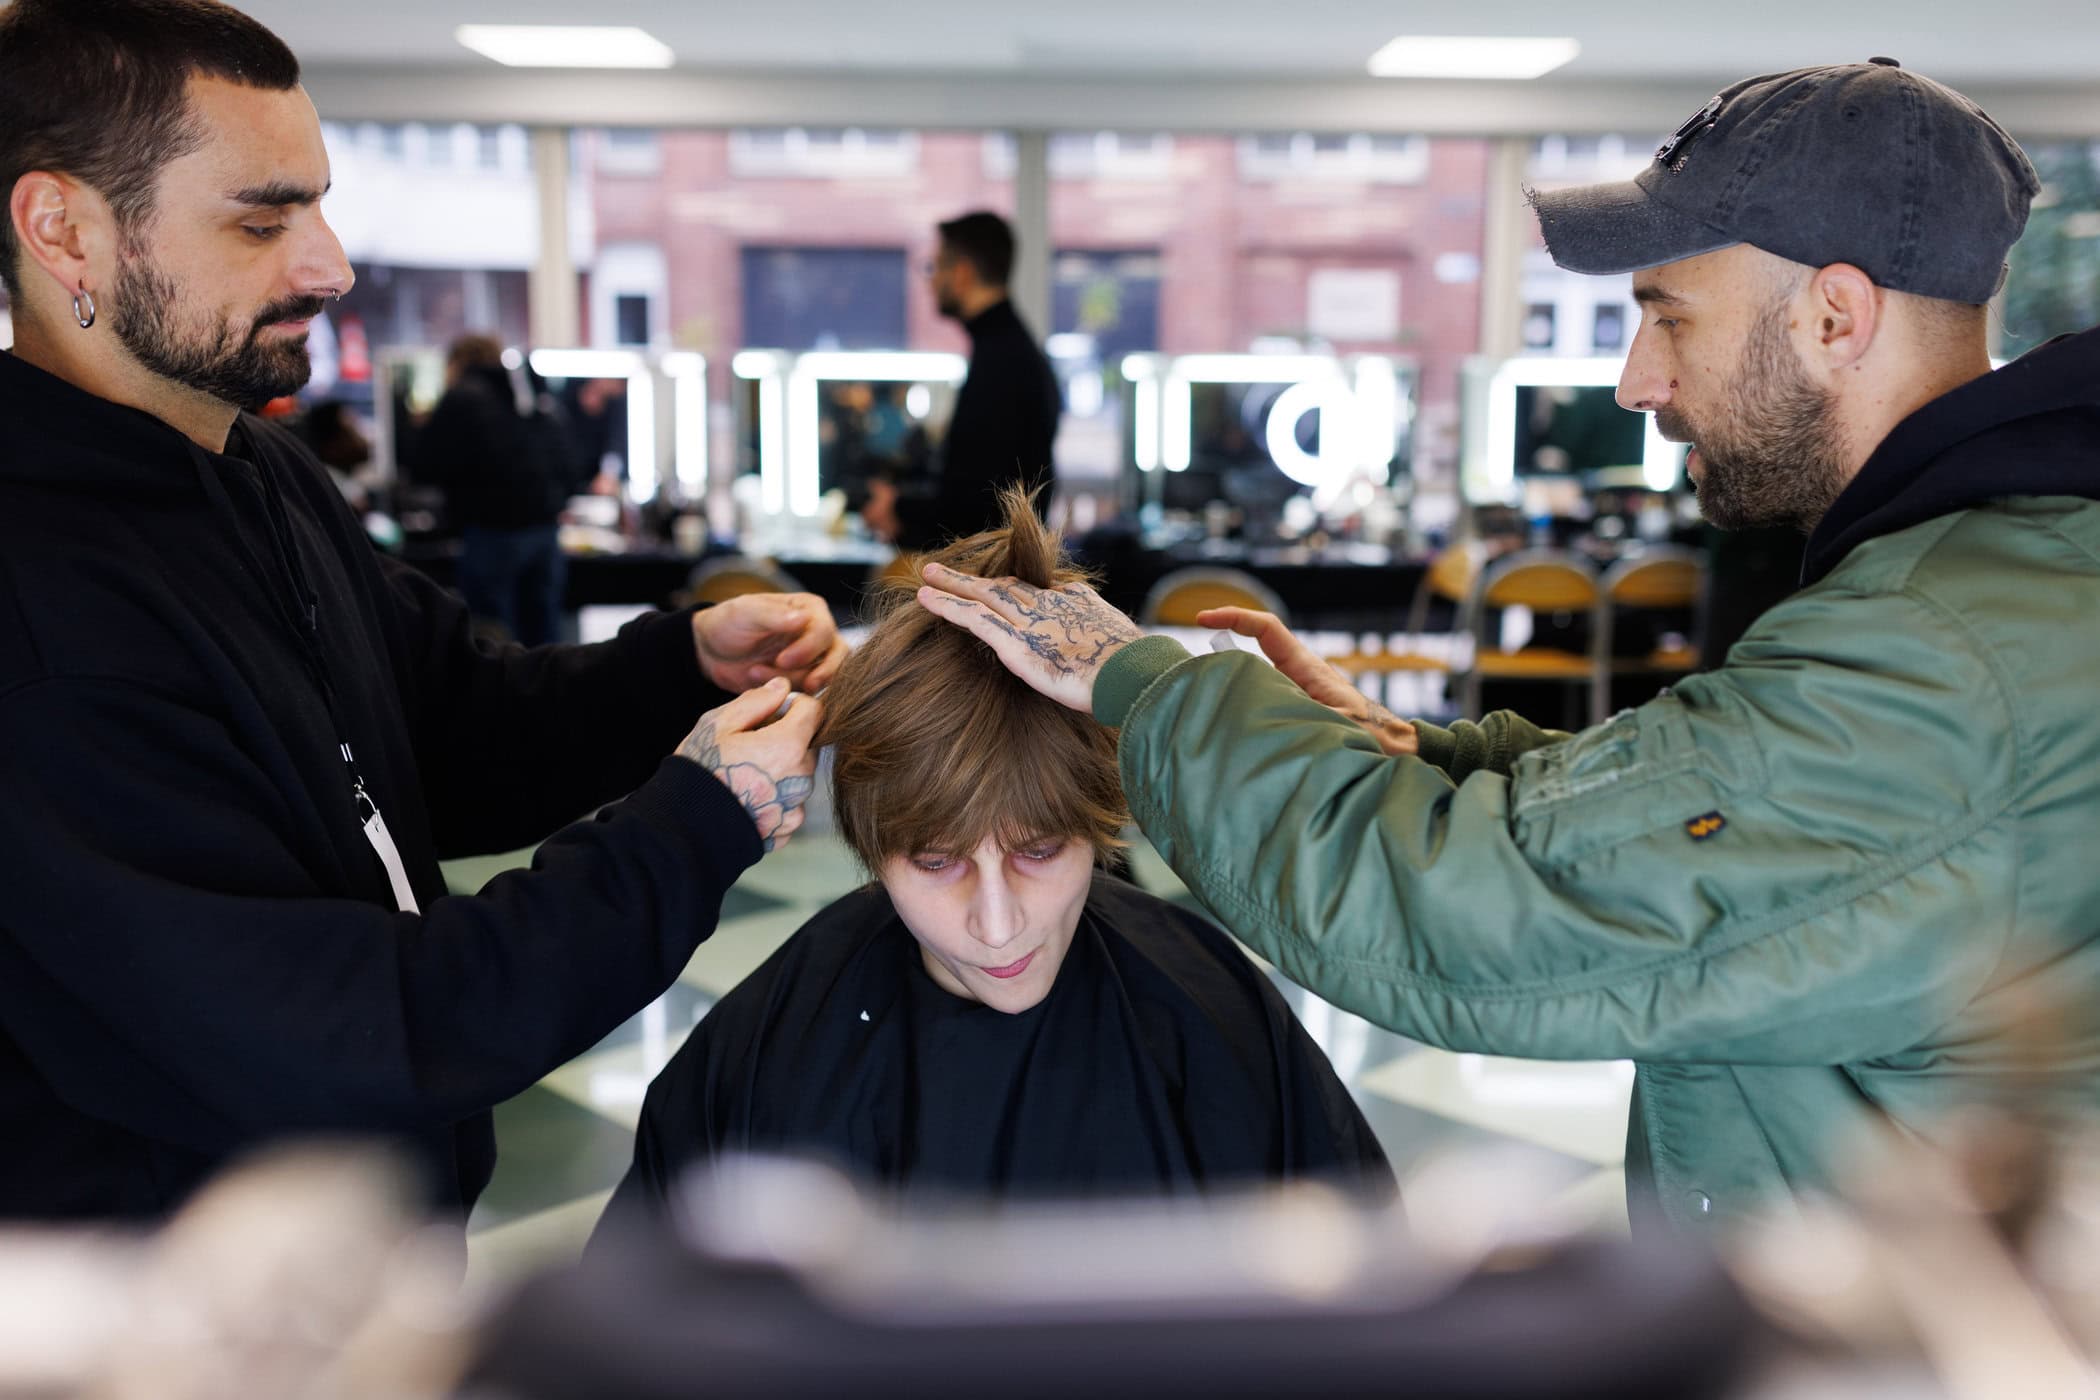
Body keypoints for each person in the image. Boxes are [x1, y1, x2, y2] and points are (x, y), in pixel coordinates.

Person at [918, 61, 2100, 1235]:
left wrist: (1148, 685)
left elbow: (1472, 915)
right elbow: (1718, 807)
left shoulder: (1947, 659)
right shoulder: (2001, 583)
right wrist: (1413, 754)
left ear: (1835, 315)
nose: (1639, 382)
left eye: (1666, 315)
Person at [0, 0, 848, 1224]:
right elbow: (340, 1025)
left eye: (320, 204)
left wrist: (677, 671)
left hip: (370, 1251)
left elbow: (446, 724)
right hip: (184, 1309)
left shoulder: (260, 469)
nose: (329, 266)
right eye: (261, 219)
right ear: (63, 230)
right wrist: (693, 829)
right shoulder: (38, 618)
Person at [598, 492, 1391, 1228]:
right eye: (937, 863)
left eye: (1039, 850)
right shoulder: (765, 1049)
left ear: (1097, 821)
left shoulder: (1210, 1016)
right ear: (873, 847)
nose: (999, 924)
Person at [863, 211, 1062, 549]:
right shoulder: (1010, 350)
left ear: (963, 274)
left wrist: (898, 509)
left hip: (993, 580)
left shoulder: (1003, 362)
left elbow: (977, 507)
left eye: (936, 266)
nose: (931, 281)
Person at [413, 333, 576, 646]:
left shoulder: (462, 397)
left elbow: (426, 465)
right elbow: (567, 461)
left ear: (456, 362)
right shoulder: (528, 394)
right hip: (544, 533)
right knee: (544, 639)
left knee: (493, 640)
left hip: (491, 532)